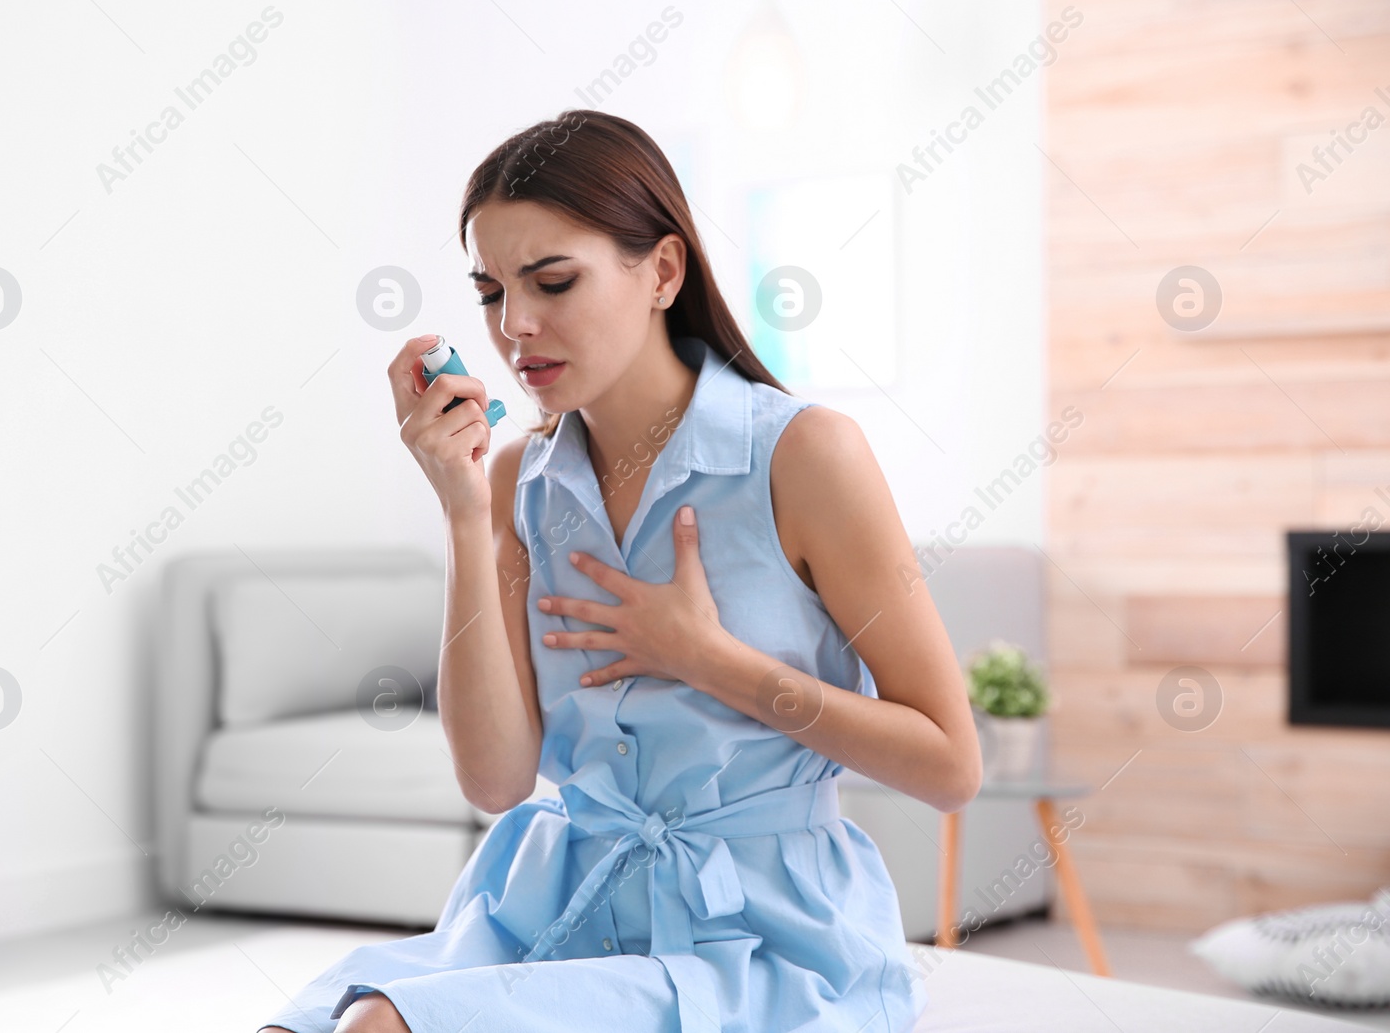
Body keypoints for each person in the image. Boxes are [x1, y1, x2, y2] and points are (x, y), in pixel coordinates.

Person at [258, 109, 981, 1033]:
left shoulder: (806, 456)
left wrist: (709, 658)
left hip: (755, 938)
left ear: (663, 272)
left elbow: (951, 765)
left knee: (380, 1028)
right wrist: (465, 508)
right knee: (305, 1024)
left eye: (553, 281)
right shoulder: (521, 478)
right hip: (548, 905)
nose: (515, 326)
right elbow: (495, 782)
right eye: (491, 291)